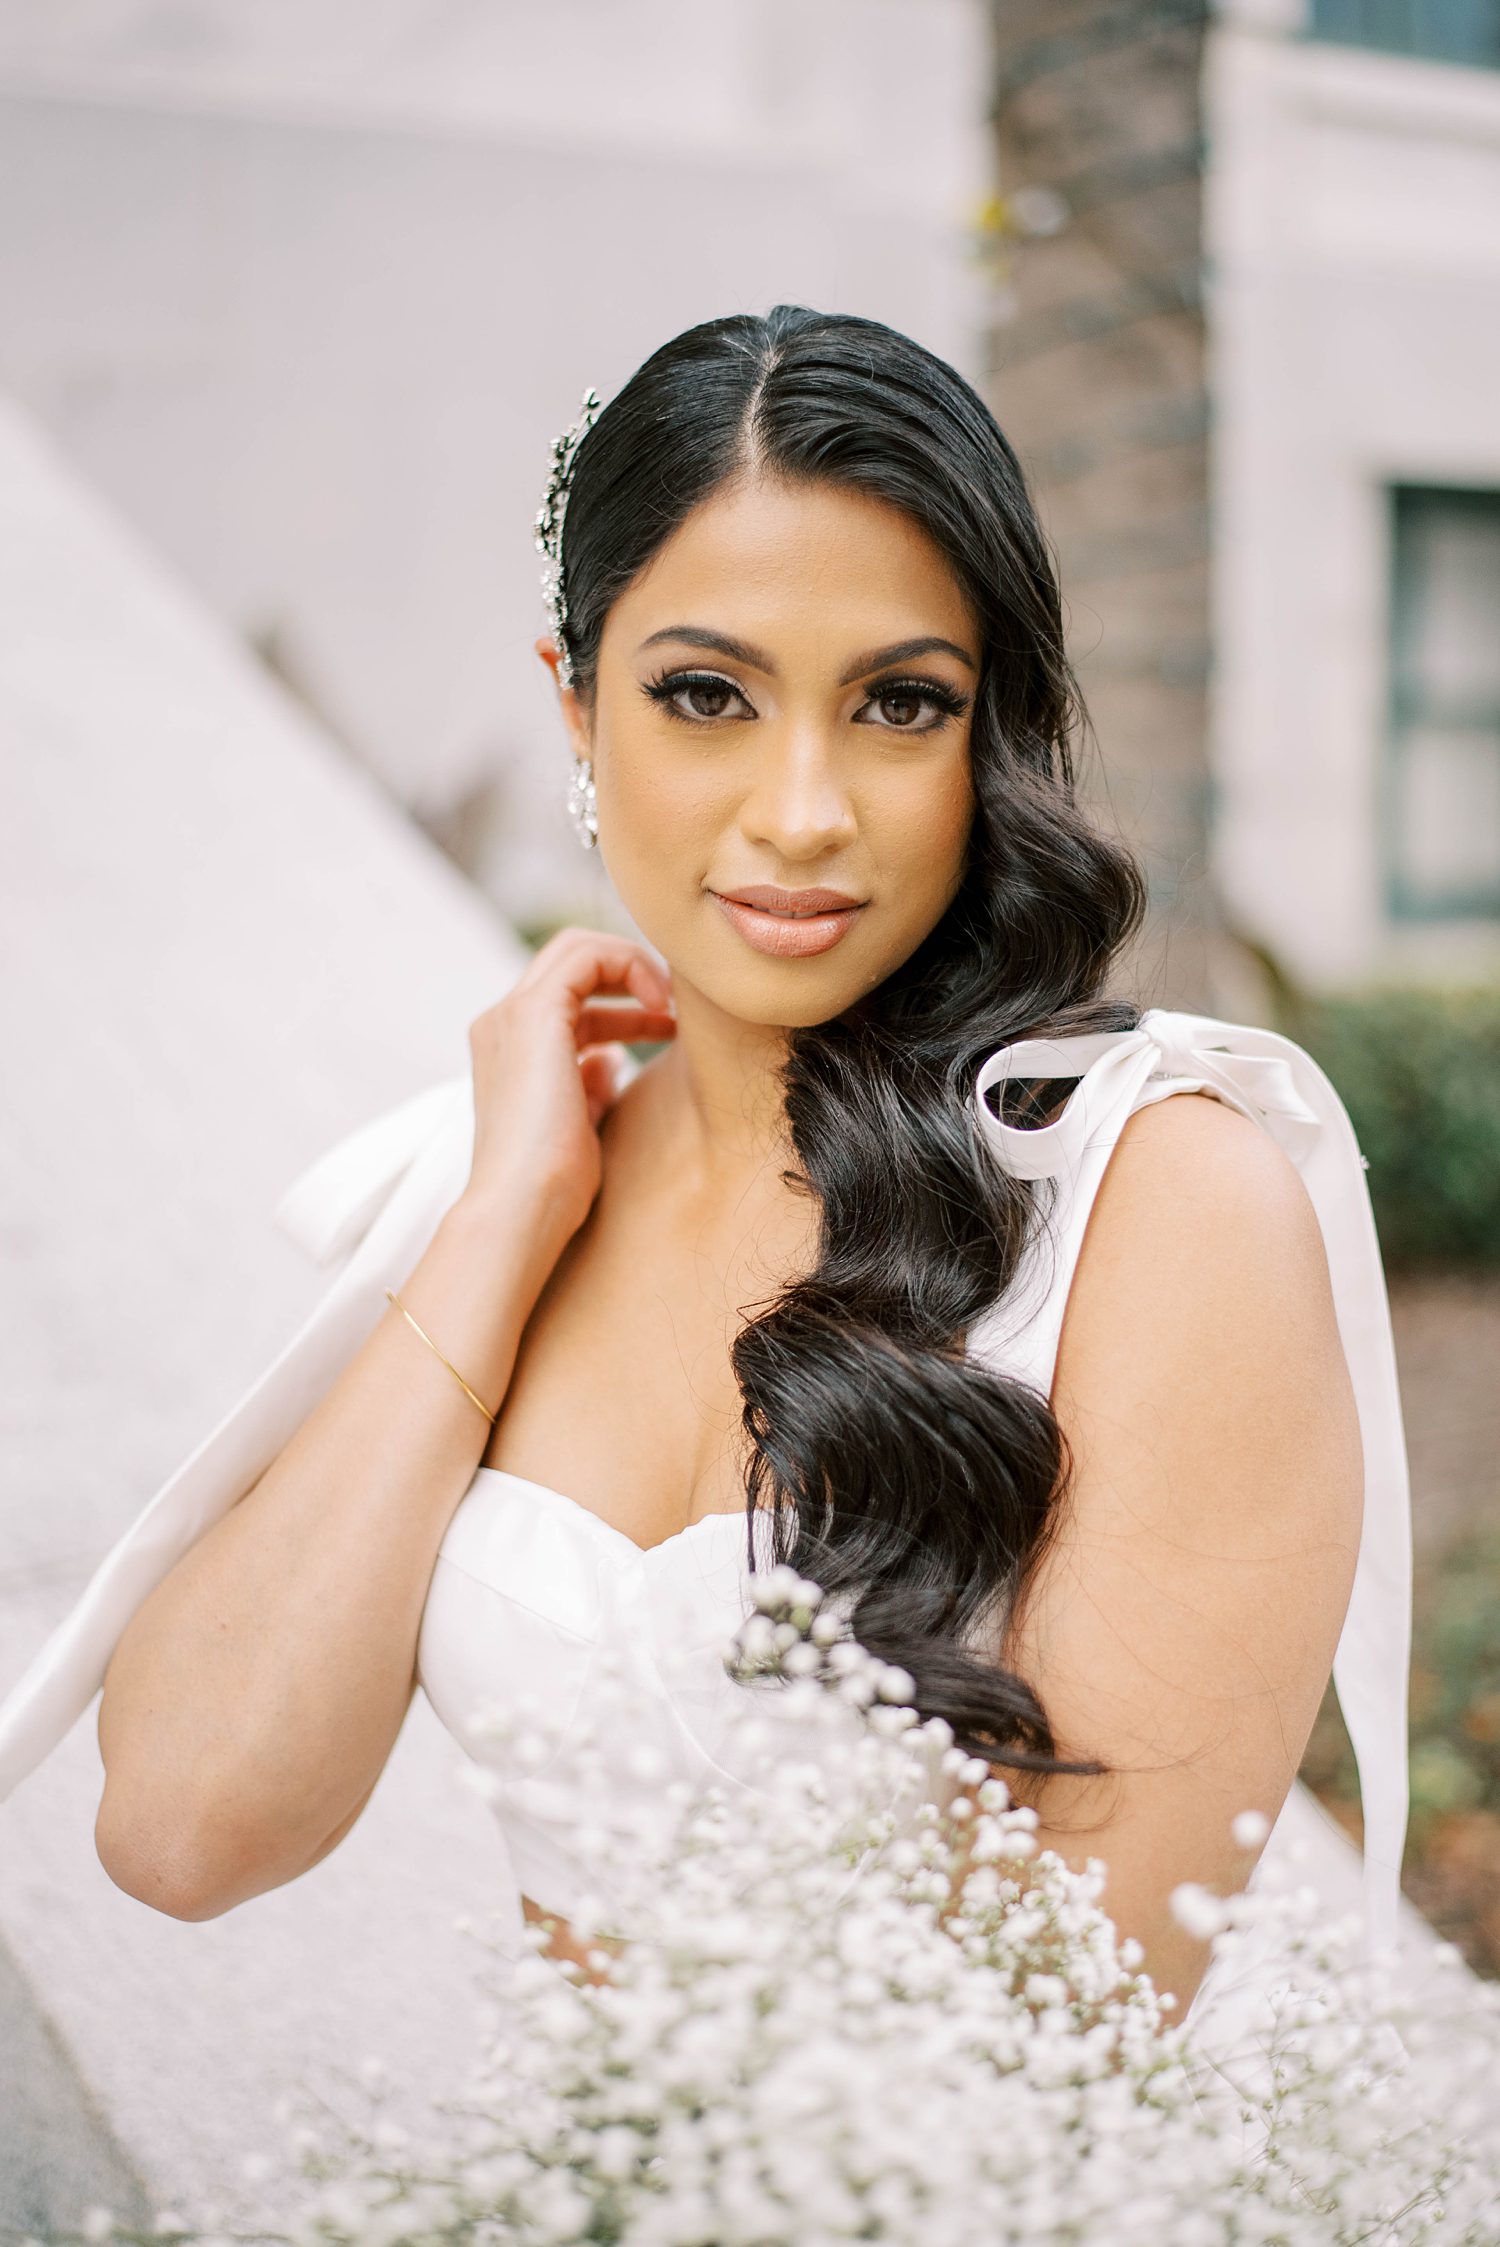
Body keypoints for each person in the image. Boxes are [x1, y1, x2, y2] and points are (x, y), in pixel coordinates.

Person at [0, 306, 1426, 2050]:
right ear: (575, 708)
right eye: (705, 695)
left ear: (991, 741)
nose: (803, 809)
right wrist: (503, 1222)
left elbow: (1069, 2026)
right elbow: (182, 1828)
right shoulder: (514, 1178)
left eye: (902, 704)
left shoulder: (1161, 1207)